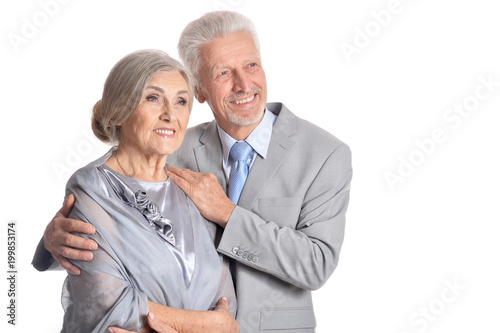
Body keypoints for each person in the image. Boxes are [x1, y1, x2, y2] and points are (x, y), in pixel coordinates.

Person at [33, 11, 352, 332]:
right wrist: (51, 240)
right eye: (223, 72)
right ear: (199, 92)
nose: (244, 84)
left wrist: (227, 213)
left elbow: (317, 265)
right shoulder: (172, 149)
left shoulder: (325, 154)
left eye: (252, 65)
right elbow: (113, 231)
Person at [44, 49, 238, 332]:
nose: (171, 114)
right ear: (120, 110)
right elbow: (108, 305)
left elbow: (225, 301)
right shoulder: (92, 188)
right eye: (153, 98)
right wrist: (207, 325)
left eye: (181, 101)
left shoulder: (194, 188)